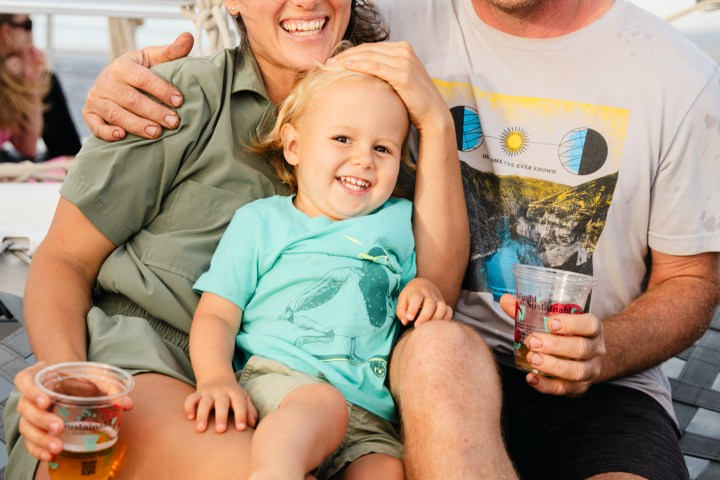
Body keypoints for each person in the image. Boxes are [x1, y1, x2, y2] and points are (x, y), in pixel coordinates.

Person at [79, 0, 720, 478]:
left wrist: (605, 349)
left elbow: (691, 282)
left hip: (603, 389)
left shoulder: (678, 77)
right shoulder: (390, 18)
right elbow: (288, 27)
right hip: (429, 364)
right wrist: (125, 80)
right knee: (437, 354)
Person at [6, 1, 513, 480]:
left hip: (319, 393)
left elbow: (434, 295)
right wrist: (65, 378)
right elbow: (64, 259)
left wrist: (434, 123)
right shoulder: (173, 96)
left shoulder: (384, 120)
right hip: (151, 361)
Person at [186, 63, 454, 479]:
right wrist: (216, 379)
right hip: (283, 383)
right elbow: (218, 313)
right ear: (293, 145)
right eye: (342, 138)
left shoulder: (399, 220)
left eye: (383, 148)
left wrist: (422, 288)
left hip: (368, 412)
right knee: (320, 406)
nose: (364, 159)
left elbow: (420, 277)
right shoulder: (263, 222)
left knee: (387, 468)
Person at [0, 13, 81, 161]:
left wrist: (32, 81)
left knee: (46, 80)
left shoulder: (12, 80)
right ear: (6, 31)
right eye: (28, 25)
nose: (31, 34)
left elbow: (28, 149)